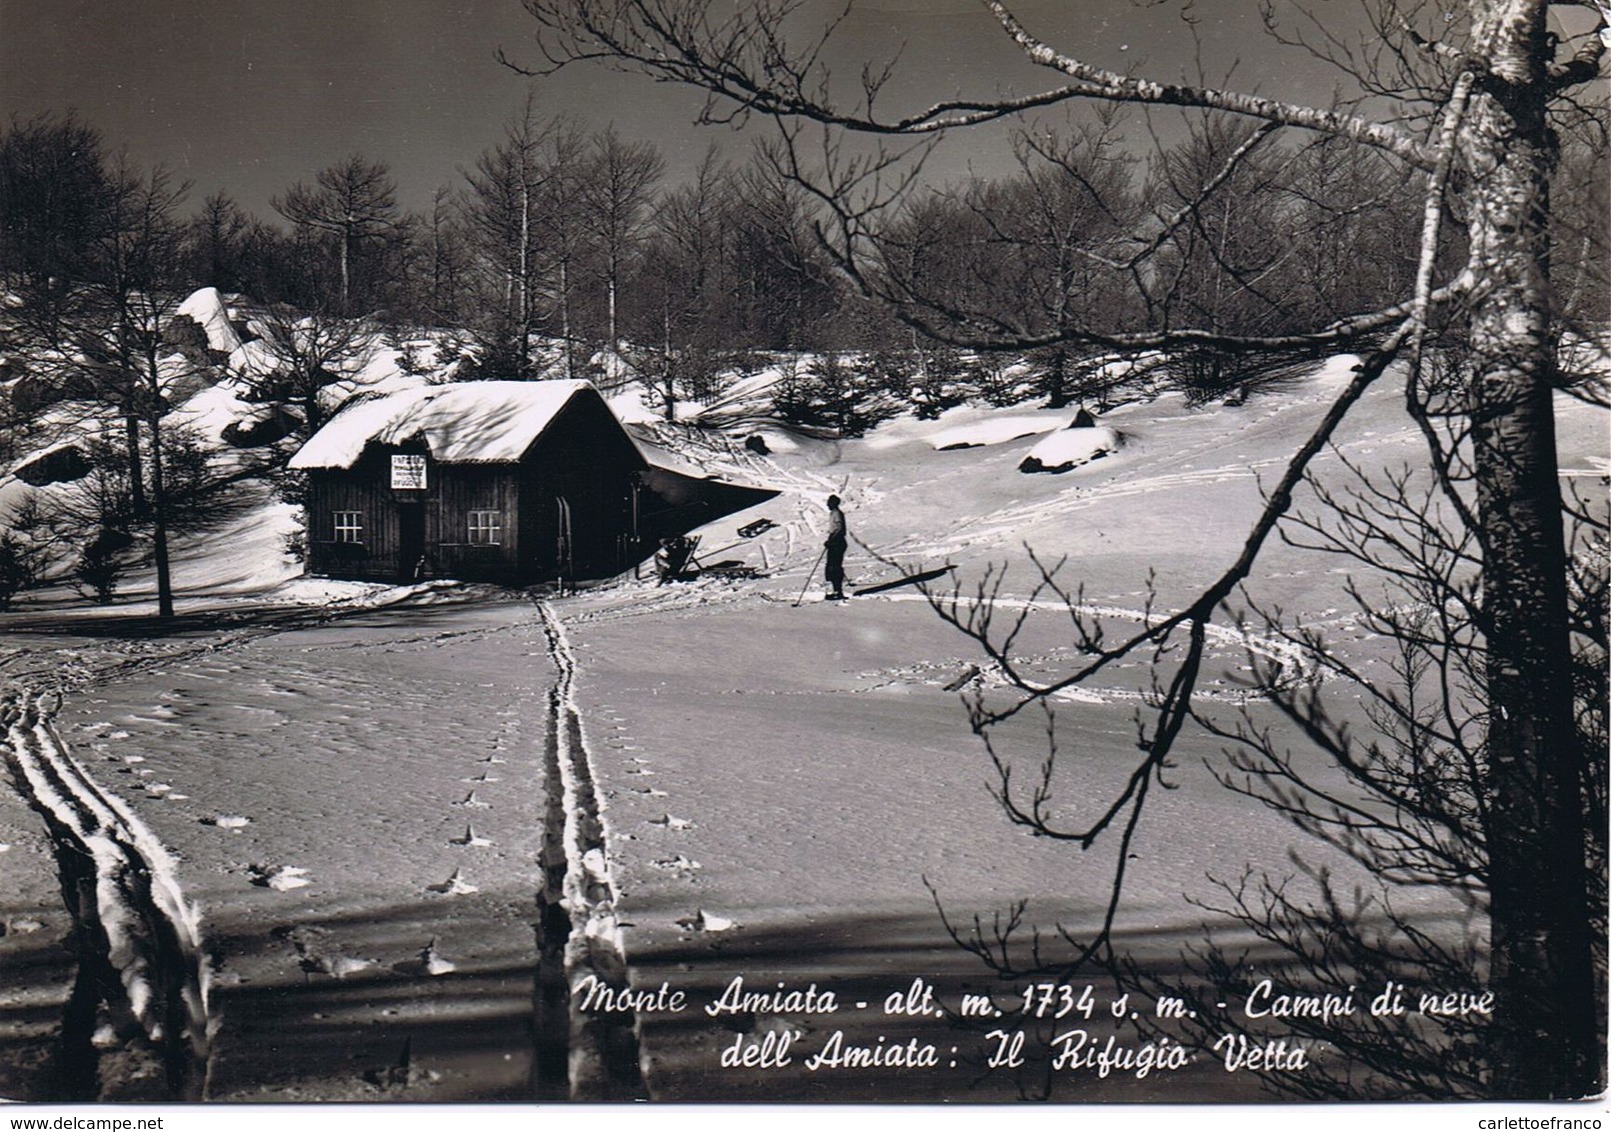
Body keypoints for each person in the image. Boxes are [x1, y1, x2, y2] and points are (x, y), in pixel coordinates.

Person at [823, 494, 848, 600]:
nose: (827, 504)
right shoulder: (833, 513)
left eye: (829, 502)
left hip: (837, 542)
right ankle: (835, 590)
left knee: (834, 567)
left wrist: (831, 540)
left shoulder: (836, 513)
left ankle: (838, 591)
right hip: (835, 541)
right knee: (831, 567)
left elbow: (839, 528)